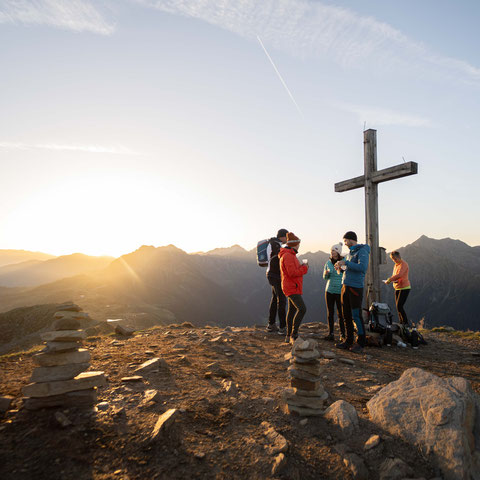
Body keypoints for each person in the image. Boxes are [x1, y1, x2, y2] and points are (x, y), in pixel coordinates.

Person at [335, 231, 370, 354]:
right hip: (346, 285)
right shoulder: (350, 253)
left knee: (356, 315)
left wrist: (347, 263)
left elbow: (362, 268)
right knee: (346, 315)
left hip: (355, 287)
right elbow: (349, 267)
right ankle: (348, 340)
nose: (344, 243)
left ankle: (360, 342)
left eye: (345, 240)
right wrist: (341, 267)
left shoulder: (362, 251)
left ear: (351, 239)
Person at [278, 232, 309, 344]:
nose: (299, 246)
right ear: (294, 244)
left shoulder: (290, 255)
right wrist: (304, 269)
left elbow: (292, 271)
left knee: (292, 310)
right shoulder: (288, 256)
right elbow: (292, 273)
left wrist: (301, 267)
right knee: (302, 309)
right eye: (298, 244)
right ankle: (293, 334)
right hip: (291, 287)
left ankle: (288, 335)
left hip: (292, 286)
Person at [266, 229, 289, 335]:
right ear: (282, 236)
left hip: (272, 275)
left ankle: (271, 324)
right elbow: (281, 257)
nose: (288, 239)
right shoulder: (276, 245)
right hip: (275, 276)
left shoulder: (274, 243)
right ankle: (283, 327)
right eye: (287, 237)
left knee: (275, 299)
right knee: (282, 300)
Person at [323, 243, 345, 342]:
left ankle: (343, 334)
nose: (332, 252)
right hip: (329, 290)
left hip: (340, 290)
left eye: (334, 251)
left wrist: (340, 269)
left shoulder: (343, 262)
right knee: (330, 312)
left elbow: (345, 273)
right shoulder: (328, 263)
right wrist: (326, 274)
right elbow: (324, 277)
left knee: (341, 313)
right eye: (331, 250)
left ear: (338, 252)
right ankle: (331, 333)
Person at [385, 250, 411, 326]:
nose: (394, 260)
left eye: (395, 259)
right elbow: (395, 275)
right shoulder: (396, 265)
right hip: (397, 287)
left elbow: (400, 274)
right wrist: (394, 280)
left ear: (399, 257)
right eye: (393, 259)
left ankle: (405, 323)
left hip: (405, 287)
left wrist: (390, 280)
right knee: (398, 307)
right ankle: (401, 322)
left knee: (399, 306)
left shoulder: (404, 264)